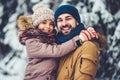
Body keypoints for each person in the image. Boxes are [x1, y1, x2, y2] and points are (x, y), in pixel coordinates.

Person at [17, 4, 97, 80]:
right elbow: (57, 50)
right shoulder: (32, 42)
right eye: (44, 23)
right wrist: (79, 39)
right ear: (36, 24)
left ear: (77, 21)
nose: (48, 26)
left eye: (51, 24)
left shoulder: (53, 40)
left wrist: (87, 31)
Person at [54, 4, 107, 80]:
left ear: (77, 22)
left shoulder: (87, 47)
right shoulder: (57, 47)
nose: (64, 23)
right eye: (60, 20)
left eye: (68, 19)